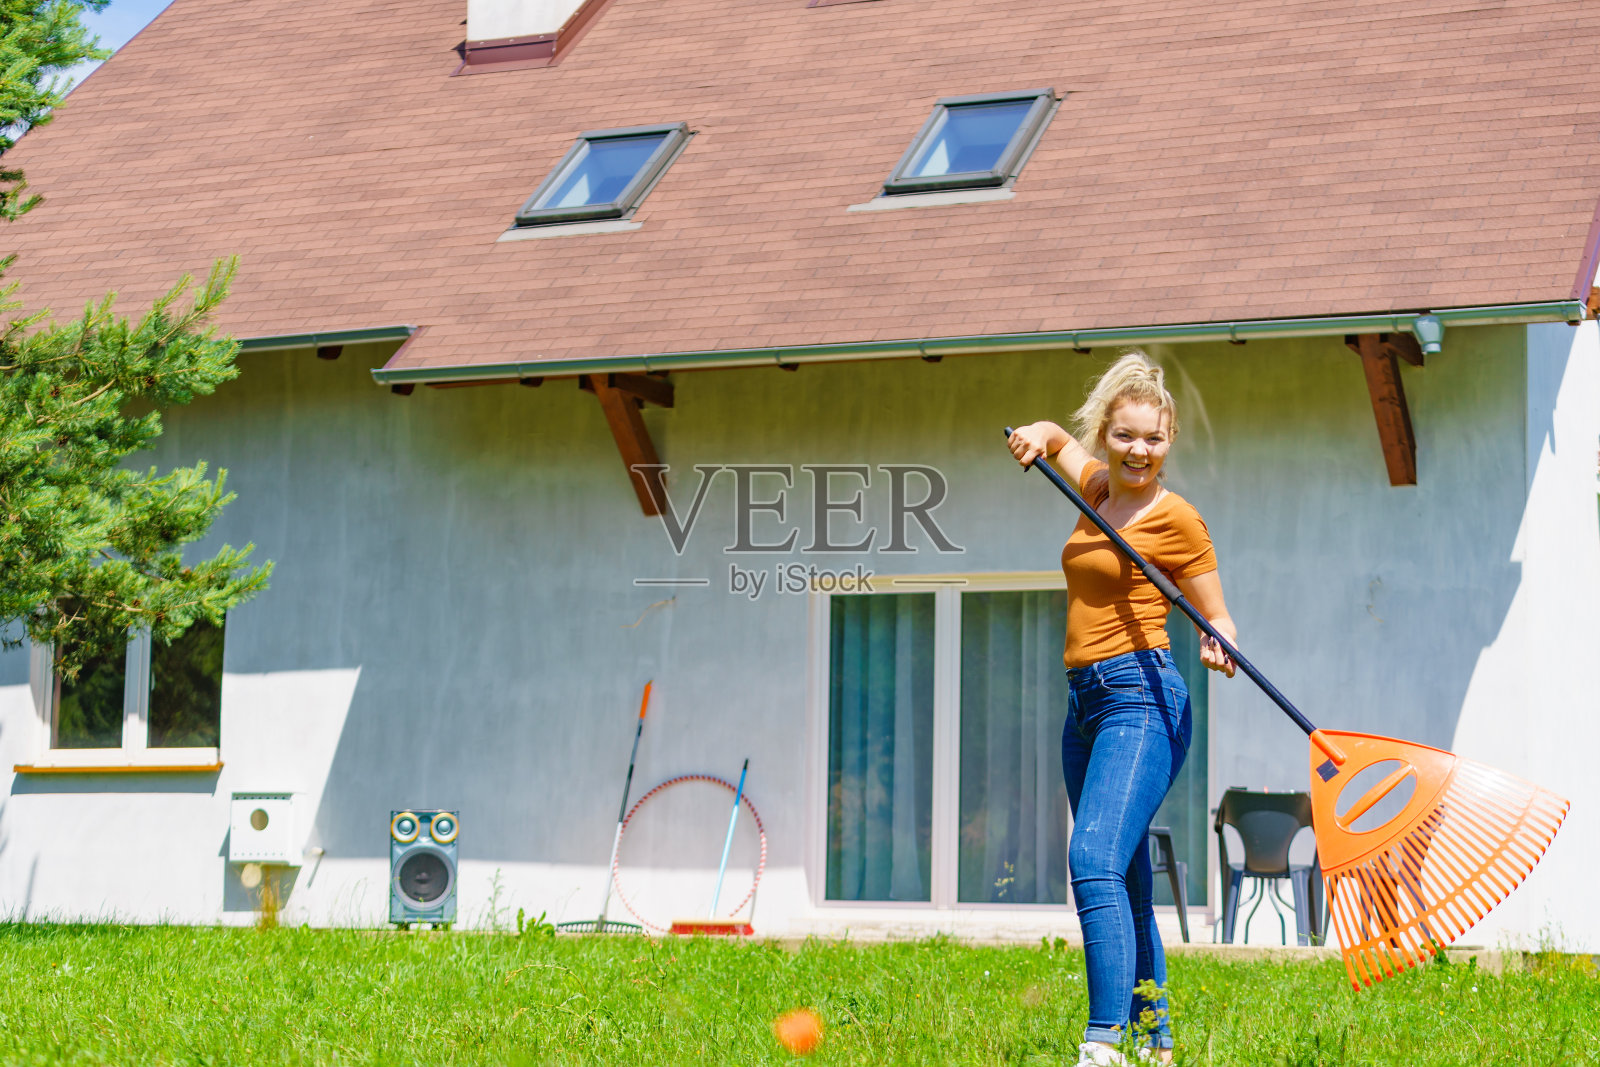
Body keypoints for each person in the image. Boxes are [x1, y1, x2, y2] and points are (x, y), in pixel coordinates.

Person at [1008, 352, 1237, 1067]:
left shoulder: (1178, 520)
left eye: (1155, 438)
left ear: (1170, 442)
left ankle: (1103, 1042)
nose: (1141, 450)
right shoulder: (1099, 489)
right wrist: (1036, 434)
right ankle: (1157, 1042)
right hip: (1084, 703)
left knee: (1093, 856)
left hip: (1142, 697)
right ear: (1108, 433)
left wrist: (1215, 640)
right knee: (1128, 878)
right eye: (1127, 434)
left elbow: (1221, 616)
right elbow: (1055, 437)